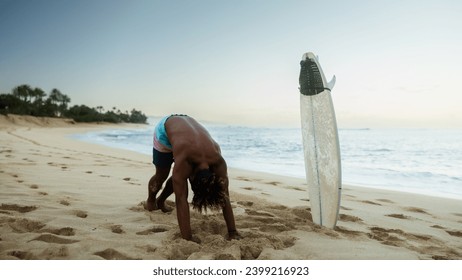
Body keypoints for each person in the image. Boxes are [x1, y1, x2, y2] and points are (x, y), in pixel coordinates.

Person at [145, 114, 240, 241]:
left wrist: (232, 232)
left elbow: (225, 196)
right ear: (191, 177)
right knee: (162, 175)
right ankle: (151, 201)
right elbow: (181, 200)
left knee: (178, 178)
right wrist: (187, 238)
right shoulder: (185, 161)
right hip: (165, 130)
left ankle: (161, 200)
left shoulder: (218, 160)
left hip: (186, 128)